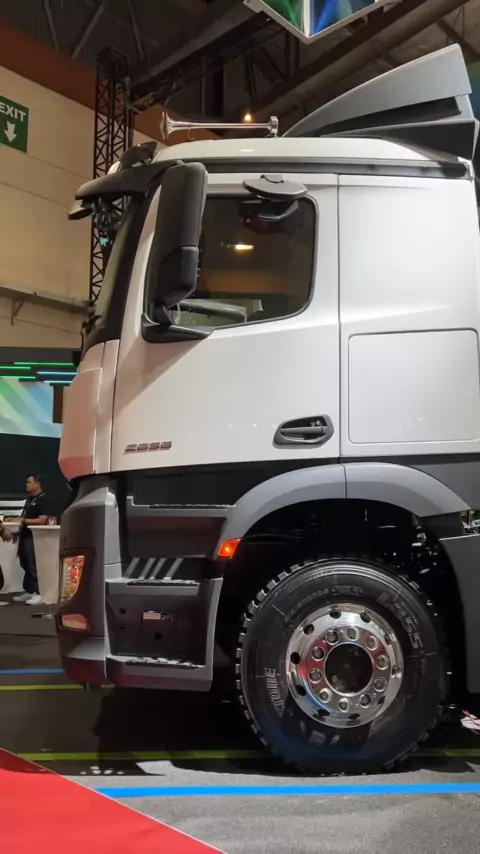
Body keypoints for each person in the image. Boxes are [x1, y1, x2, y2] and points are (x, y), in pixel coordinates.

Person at [11, 475, 48, 606]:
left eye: (29, 482)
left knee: (32, 564)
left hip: (33, 536)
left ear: (37, 484)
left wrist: (24, 520)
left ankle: (39, 592)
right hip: (24, 535)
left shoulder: (42, 500)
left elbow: (43, 520)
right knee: (24, 563)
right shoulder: (30, 499)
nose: (26, 484)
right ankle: (29, 590)